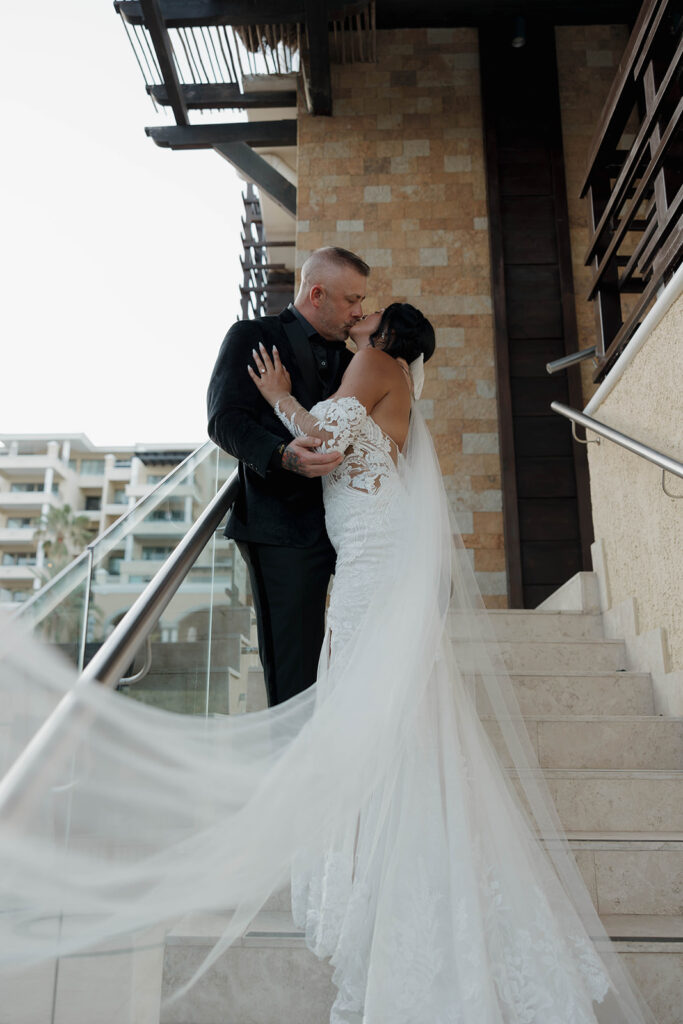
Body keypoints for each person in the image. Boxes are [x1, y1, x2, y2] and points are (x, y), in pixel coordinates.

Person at [0, 304, 655, 1024]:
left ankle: (376, 844)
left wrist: (280, 395)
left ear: (387, 333)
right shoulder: (390, 375)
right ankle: (365, 832)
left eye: (367, 312)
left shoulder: (376, 365)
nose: (357, 315)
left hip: (374, 557)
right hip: (369, 551)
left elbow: (322, 439)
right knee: (372, 693)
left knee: (369, 692)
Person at [207, 246, 369, 707]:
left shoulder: (358, 355)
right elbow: (224, 420)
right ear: (317, 293)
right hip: (282, 531)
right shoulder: (250, 336)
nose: (359, 312)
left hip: (355, 528)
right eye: (351, 300)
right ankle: (296, 775)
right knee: (296, 675)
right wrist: (281, 455)